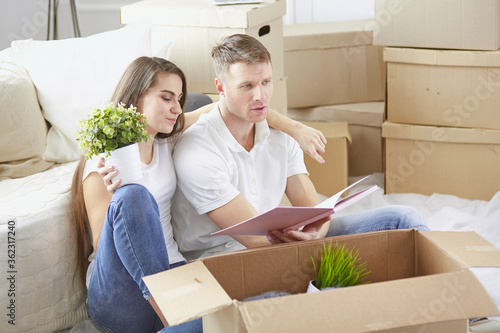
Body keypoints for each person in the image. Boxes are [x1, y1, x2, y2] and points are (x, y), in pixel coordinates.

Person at [70, 56, 328, 333]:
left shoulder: (167, 138)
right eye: (166, 98)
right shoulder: (104, 162)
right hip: (123, 294)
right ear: (137, 96)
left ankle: (175, 321)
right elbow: (104, 247)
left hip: (176, 274)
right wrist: (120, 197)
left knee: (263, 306)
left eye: (179, 99)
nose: (176, 109)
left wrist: (297, 129)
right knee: (134, 197)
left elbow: (229, 107)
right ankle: (172, 315)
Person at [171, 34, 429, 261]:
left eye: (266, 82)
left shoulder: (280, 137)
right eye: (247, 86)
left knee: (402, 219)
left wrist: (316, 231)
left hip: (281, 244)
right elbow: (253, 237)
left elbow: (312, 209)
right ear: (221, 88)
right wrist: (306, 240)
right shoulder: (197, 151)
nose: (260, 97)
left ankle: (461, 305)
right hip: (224, 257)